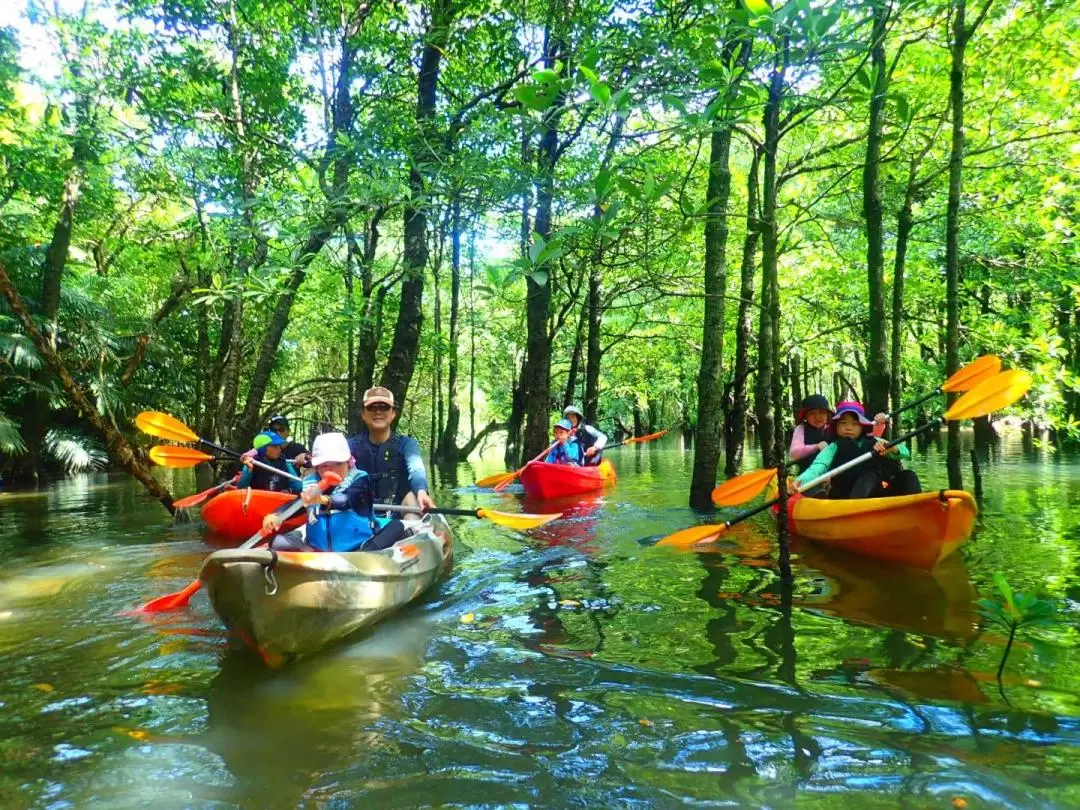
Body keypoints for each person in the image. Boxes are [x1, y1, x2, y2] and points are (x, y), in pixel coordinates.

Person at [261, 432, 407, 552]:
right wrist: (277, 515)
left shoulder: (359, 480)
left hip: (358, 548)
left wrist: (322, 500)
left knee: (397, 526)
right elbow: (296, 504)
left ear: (348, 462)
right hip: (318, 550)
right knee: (277, 542)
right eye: (324, 465)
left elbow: (346, 500)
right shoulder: (312, 484)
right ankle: (309, 553)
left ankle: (365, 553)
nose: (331, 470)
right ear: (317, 467)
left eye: (338, 463)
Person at [794, 401, 920, 499]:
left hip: (875, 496)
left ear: (862, 427)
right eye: (843, 423)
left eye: (854, 424)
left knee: (908, 476)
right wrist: (798, 483)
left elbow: (906, 453)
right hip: (846, 498)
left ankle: (917, 508)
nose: (848, 428)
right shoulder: (833, 447)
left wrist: (893, 449)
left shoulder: (875, 441)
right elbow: (816, 468)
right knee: (868, 477)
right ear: (836, 426)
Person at [346, 387, 436, 513]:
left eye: (384, 407)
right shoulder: (349, 446)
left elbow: (416, 470)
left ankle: (412, 526)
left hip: (399, 510)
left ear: (393, 413)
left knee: (411, 497)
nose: (378, 411)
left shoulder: (406, 444)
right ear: (363, 414)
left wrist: (421, 491)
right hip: (359, 511)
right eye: (372, 407)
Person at [238, 431, 302, 494]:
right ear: (263, 449)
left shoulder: (285, 464)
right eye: (275, 446)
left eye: (279, 446)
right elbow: (241, 488)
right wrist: (248, 470)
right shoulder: (252, 463)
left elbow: (299, 487)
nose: (279, 449)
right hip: (259, 502)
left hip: (282, 502)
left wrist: (290, 491)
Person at [788, 394, 834, 473]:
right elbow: (794, 453)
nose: (817, 417)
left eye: (821, 412)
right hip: (807, 475)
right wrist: (816, 447)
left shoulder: (834, 428)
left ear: (827, 414)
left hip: (832, 474)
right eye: (812, 413)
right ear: (806, 416)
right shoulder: (800, 429)